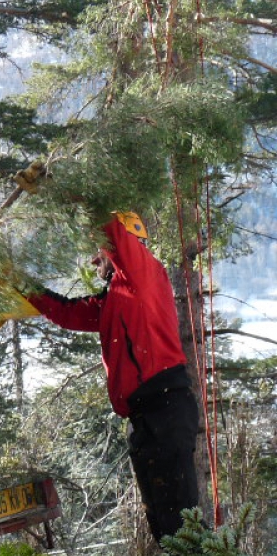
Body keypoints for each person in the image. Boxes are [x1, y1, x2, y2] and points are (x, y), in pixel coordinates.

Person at [24, 211, 200, 544]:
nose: (93, 260)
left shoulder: (143, 272)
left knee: (181, 525)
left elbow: (115, 231)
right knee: (164, 528)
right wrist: (18, 283)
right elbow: (65, 312)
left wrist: (78, 195)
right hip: (146, 418)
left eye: (99, 251)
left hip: (166, 410)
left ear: (118, 247)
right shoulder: (115, 298)